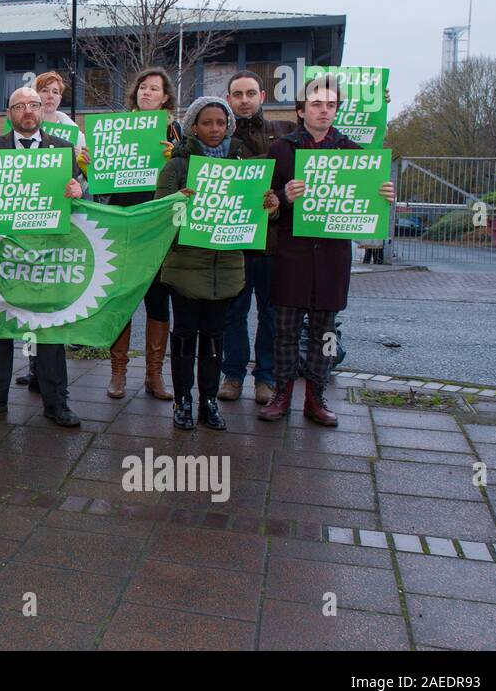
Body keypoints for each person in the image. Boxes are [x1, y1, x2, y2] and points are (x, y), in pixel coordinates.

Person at [260, 73, 395, 426]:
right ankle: (282, 394)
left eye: (331, 105)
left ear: (338, 110)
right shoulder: (281, 150)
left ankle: (315, 398)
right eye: (316, 104)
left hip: (333, 258)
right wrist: (282, 200)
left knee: (326, 332)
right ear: (301, 110)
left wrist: (382, 198)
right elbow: (267, 208)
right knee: (285, 330)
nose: (324, 111)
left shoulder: (354, 154)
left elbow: (366, 207)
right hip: (292, 255)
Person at [155, 96, 280, 430]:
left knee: (214, 339)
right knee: (183, 338)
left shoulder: (244, 166)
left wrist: (271, 205)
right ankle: (183, 401)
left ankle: (208, 402)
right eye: (207, 122)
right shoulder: (178, 166)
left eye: (220, 123)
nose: (214, 129)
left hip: (226, 270)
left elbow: (265, 213)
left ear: (229, 127)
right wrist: (177, 201)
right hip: (185, 268)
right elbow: (159, 213)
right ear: (194, 126)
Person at [0, 86, 85, 427]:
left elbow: (78, 197)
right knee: (0, 328)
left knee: (48, 329)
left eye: (34, 105)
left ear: (41, 110)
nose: (28, 111)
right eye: (20, 106)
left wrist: (79, 188)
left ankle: (56, 402)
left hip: (48, 253)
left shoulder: (63, 149)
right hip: (4, 253)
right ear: (9, 113)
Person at [95, 67, 182, 400]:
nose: (147, 92)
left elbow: (187, 176)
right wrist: (91, 166)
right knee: (124, 300)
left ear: (165, 97)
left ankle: (154, 375)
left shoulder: (175, 132)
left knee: (159, 302)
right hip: (125, 223)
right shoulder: (116, 127)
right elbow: (101, 182)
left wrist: (176, 157)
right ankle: (118, 372)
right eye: (142, 87)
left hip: (158, 228)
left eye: (154, 89)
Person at [218, 70, 288, 405]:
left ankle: (266, 377)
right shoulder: (221, 138)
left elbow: (334, 145)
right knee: (234, 312)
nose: (244, 100)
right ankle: (232, 375)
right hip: (236, 243)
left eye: (250, 93)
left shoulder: (284, 132)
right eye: (237, 94)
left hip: (274, 244)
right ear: (229, 99)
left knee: (271, 314)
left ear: (262, 95)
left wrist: (378, 114)